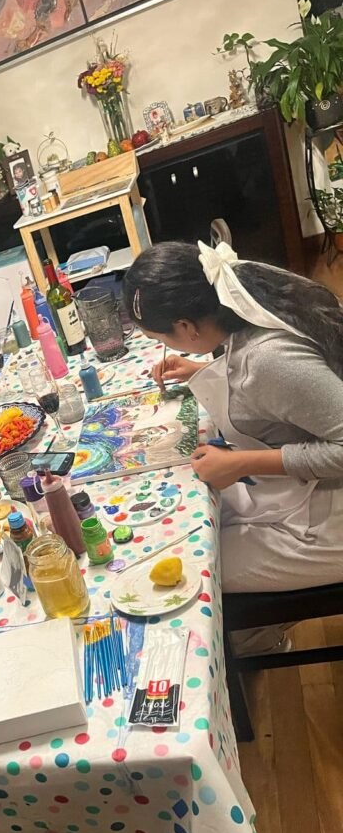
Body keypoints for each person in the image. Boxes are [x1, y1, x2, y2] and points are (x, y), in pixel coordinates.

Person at [123, 240, 343, 601]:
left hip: (329, 513)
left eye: (160, 339)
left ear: (186, 326)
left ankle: (265, 630)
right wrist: (204, 368)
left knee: (194, 573)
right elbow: (273, 385)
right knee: (194, 527)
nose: (167, 347)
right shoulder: (241, 311)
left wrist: (242, 462)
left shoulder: (268, 359)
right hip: (302, 492)